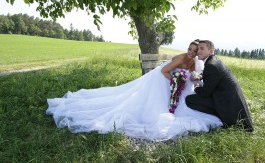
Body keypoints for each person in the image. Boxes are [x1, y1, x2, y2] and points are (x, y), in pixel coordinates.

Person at [46, 40, 223, 141]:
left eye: (195, 50)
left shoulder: (194, 62)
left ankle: (181, 107)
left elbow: (193, 74)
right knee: (139, 101)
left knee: (185, 94)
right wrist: (175, 82)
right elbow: (164, 71)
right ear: (187, 50)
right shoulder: (180, 58)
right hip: (162, 79)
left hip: (175, 81)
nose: (192, 53)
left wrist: (189, 79)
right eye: (190, 49)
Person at [185, 40, 254, 132]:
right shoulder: (213, 61)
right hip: (230, 98)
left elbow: (205, 93)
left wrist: (195, 87)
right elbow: (210, 74)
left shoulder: (211, 65)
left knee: (189, 99)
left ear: (211, 51)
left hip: (226, 103)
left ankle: (218, 116)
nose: (198, 51)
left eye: (202, 48)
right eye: (198, 49)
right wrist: (201, 76)